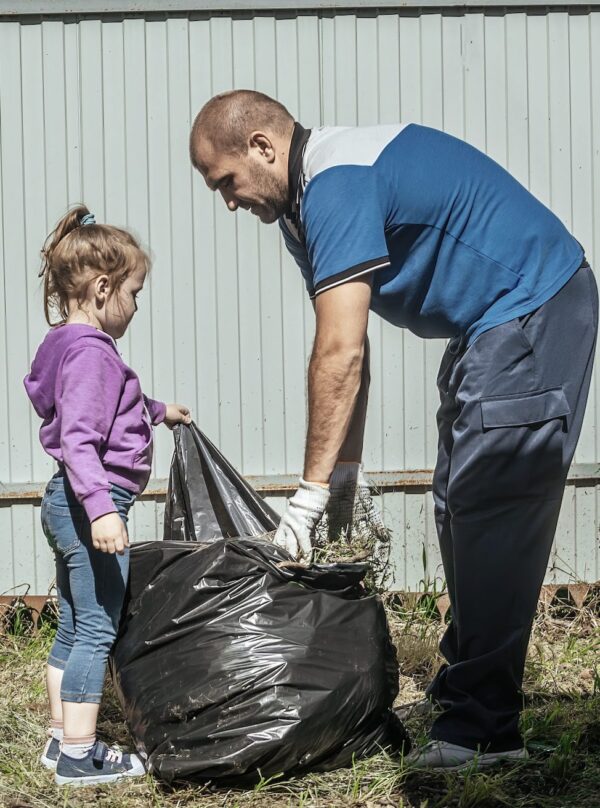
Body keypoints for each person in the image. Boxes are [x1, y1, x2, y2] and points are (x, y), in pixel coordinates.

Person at [188, 90, 598, 771]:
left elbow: (339, 353)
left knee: (490, 515)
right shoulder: (305, 208)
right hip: (488, 326)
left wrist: (310, 496)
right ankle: (467, 698)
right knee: (458, 508)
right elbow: (354, 343)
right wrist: (344, 472)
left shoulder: (336, 184)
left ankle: (484, 733)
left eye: (226, 182)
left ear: (263, 147)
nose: (229, 202)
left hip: (531, 309)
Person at [24, 206, 192, 786]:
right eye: (134, 293)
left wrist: (156, 411)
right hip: (91, 500)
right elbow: (80, 436)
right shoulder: (94, 352)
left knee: (73, 622)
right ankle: (79, 754)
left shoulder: (66, 346)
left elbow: (103, 409)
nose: (136, 305)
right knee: (98, 626)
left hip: (63, 500)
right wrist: (101, 509)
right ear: (102, 289)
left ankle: (57, 737)